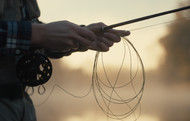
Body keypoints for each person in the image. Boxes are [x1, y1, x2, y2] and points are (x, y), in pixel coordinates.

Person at [0, 0, 130, 121]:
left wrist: (78, 38)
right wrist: (39, 34)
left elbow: (31, 37)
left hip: (24, 105)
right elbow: (36, 34)